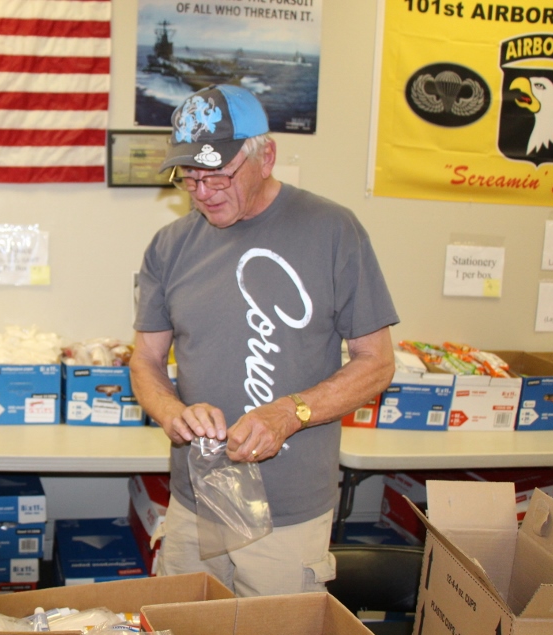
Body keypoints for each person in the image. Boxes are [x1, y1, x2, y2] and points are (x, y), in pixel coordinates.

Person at [130, 84, 399, 598]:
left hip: (287, 511)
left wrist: (288, 414)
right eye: (190, 178)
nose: (203, 192)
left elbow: (376, 364)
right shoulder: (170, 245)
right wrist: (170, 411)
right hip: (195, 499)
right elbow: (144, 359)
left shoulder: (333, 230)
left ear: (266, 156)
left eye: (217, 176)